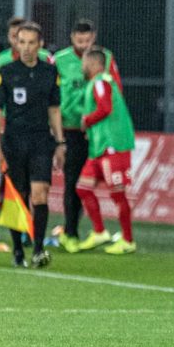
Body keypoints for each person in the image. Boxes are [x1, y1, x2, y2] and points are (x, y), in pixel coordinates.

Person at [0, 21, 65, 268]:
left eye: (31, 43)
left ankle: (38, 249)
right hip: (14, 141)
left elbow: (54, 109)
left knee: (40, 193)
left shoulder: (49, 72)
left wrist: (60, 142)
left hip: (41, 140)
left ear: (40, 44)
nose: (26, 48)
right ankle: (18, 249)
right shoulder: (6, 71)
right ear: (16, 43)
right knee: (18, 196)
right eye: (22, 42)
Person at [54, 19, 124, 253]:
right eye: (79, 40)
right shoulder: (60, 60)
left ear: (93, 37)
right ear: (72, 38)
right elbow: (52, 94)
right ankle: (71, 232)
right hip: (72, 130)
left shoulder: (105, 58)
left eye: (87, 40)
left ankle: (114, 234)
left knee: (95, 184)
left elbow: (116, 91)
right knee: (73, 182)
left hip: (97, 132)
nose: (83, 45)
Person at [73, 49, 138, 255]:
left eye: (84, 63)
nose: (82, 67)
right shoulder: (97, 82)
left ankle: (127, 240)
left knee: (118, 193)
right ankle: (99, 231)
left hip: (113, 145)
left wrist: (86, 121)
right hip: (99, 147)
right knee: (83, 188)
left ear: (93, 64)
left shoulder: (101, 81)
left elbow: (105, 108)